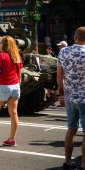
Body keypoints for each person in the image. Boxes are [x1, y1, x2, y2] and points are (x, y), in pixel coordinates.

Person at [57, 27, 85, 170]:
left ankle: (67, 162)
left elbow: (59, 76)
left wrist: (62, 92)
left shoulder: (63, 51)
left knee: (71, 129)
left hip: (69, 96)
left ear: (75, 37)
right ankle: (83, 164)